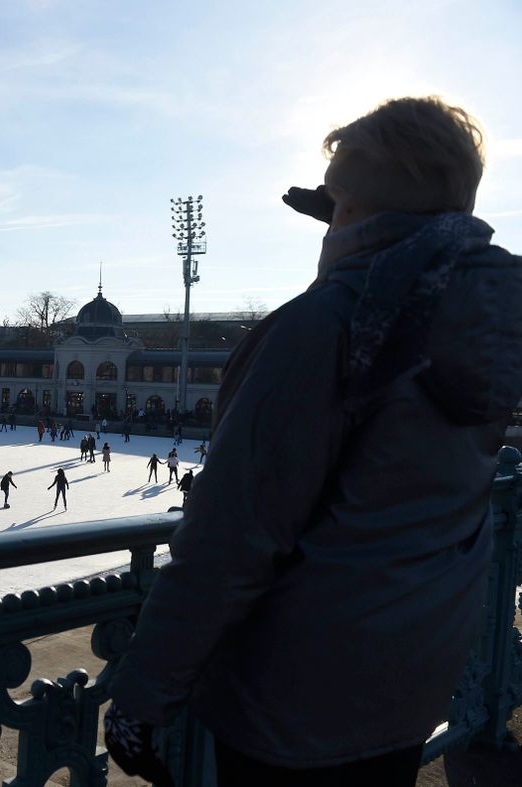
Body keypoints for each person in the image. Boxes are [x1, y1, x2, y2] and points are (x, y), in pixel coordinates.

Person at [105, 97, 522, 787]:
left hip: (297, 701)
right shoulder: (483, 323)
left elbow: (233, 533)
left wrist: (143, 695)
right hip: (413, 678)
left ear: (350, 204)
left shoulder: (328, 324)